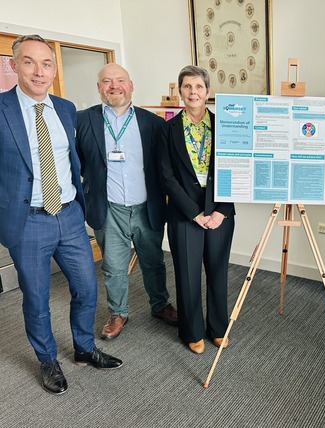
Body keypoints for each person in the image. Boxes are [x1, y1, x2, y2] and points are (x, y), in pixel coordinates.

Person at [0, 34, 122, 395]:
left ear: (54, 69)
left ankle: (84, 348)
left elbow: (74, 161)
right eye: (29, 62)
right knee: (36, 299)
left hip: (69, 215)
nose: (39, 71)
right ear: (14, 65)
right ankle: (47, 359)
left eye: (47, 63)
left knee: (86, 287)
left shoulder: (66, 108)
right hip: (29, 222)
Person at [76, 64, 177, 340]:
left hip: (146, 207)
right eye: (106, 81)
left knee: (154, 261)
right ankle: (118, 312)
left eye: (120, 80)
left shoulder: (153, 123)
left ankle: (160, 305)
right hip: (108, 209)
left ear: (131, 85)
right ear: (99, 88)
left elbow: (163, 168)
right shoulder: (83, 120)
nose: (114, 86)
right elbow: (77, 165)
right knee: (113, 266)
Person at [160, 65, 235, 354]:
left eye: (199, 87)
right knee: (187, 275)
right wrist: (194, 212)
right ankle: (191, 331)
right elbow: (166, 177)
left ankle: (218, 328)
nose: (193, 92)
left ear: (208, 92)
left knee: (218, 272)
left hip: (219, 212)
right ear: (180, 91)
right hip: (184, 214)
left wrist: (221, 210)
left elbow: (237, 171)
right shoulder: (167, 130)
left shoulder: (226, 126)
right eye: (187, 87)